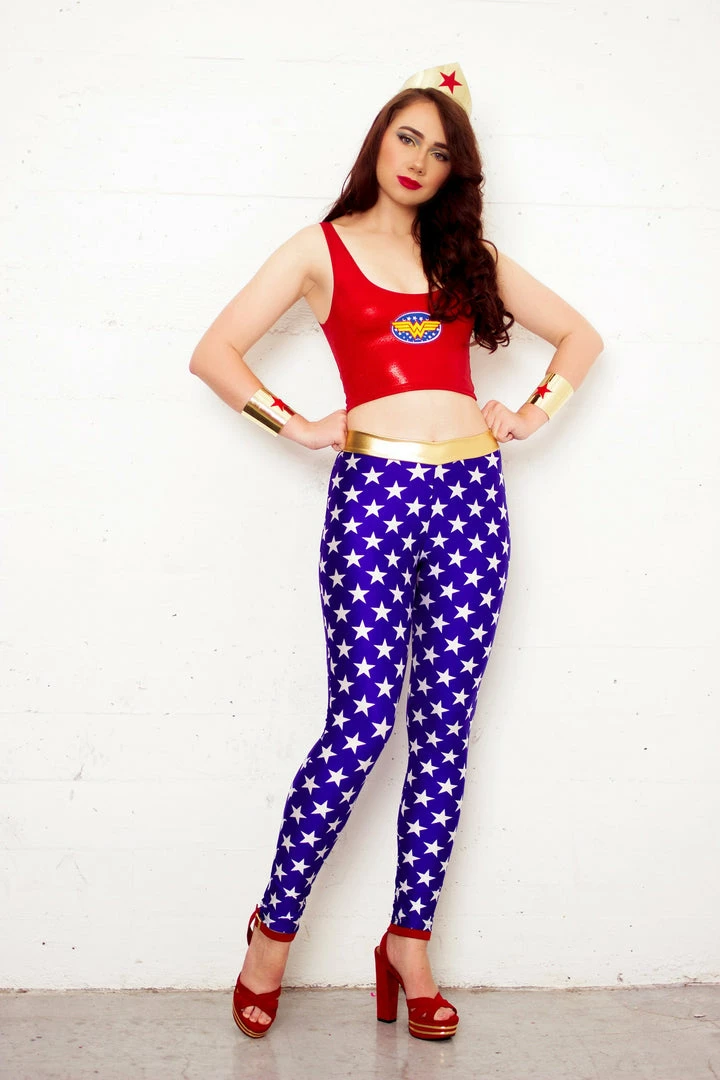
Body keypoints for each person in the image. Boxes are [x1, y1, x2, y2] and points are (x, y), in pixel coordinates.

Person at [189, 62, 603, 1042]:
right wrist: (294, 423)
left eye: (441, 150)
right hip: (375, 496)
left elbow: (580, 338)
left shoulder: (466, 258)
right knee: (362, 724)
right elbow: (214, 354)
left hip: (473, 501)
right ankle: (272, 932)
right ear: (380, 139)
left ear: (457, 170)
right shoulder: (319, 249)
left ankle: (409, 942)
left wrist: (532, 412)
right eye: (408, 137)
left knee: (445, 731)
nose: (418, 160)